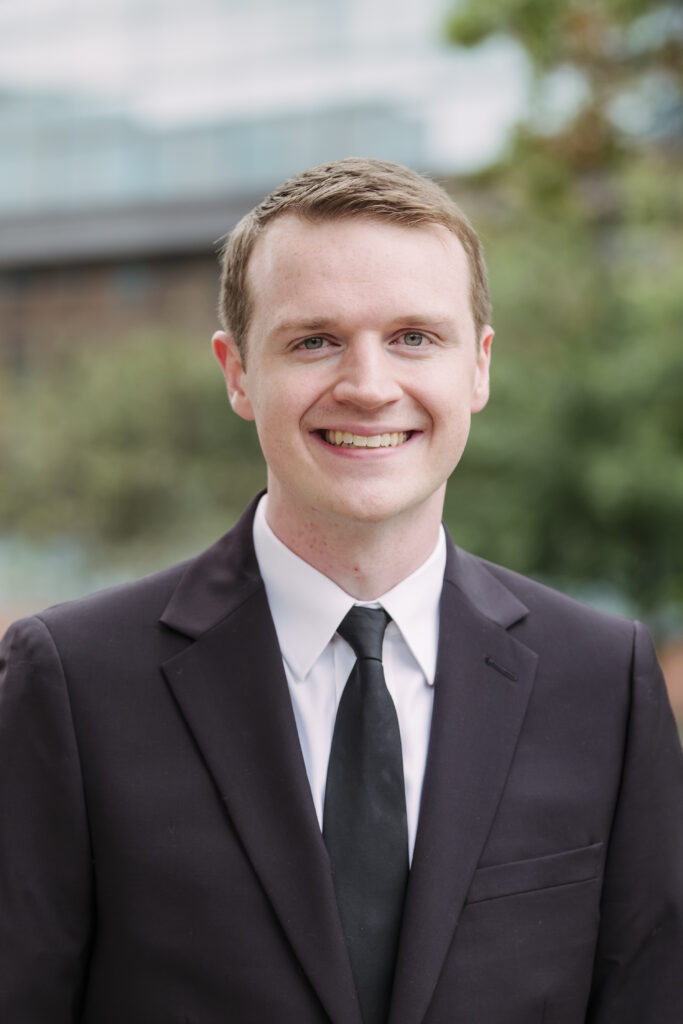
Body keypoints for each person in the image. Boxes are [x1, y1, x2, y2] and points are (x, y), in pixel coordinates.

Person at [0, 158, 681, 1024]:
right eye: (314, 340)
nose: (367, 386)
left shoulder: (601, 681)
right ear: (238, 372)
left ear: (476, 367)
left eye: (414, 338)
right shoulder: (72, 681)